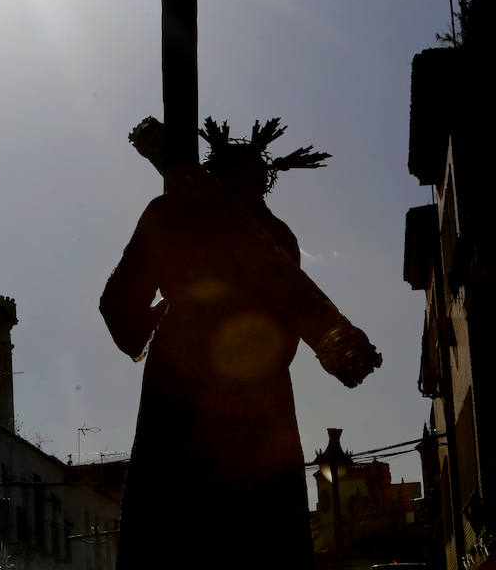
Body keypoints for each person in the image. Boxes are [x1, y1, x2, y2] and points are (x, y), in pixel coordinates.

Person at [101, 117, 381, 569]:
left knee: (169, 535)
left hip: (177, 404)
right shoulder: (279, 235)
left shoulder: (170, 214)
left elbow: (117, 304)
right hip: (262, 413)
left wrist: (160, 317)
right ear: (262, 183)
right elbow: (291, 331)